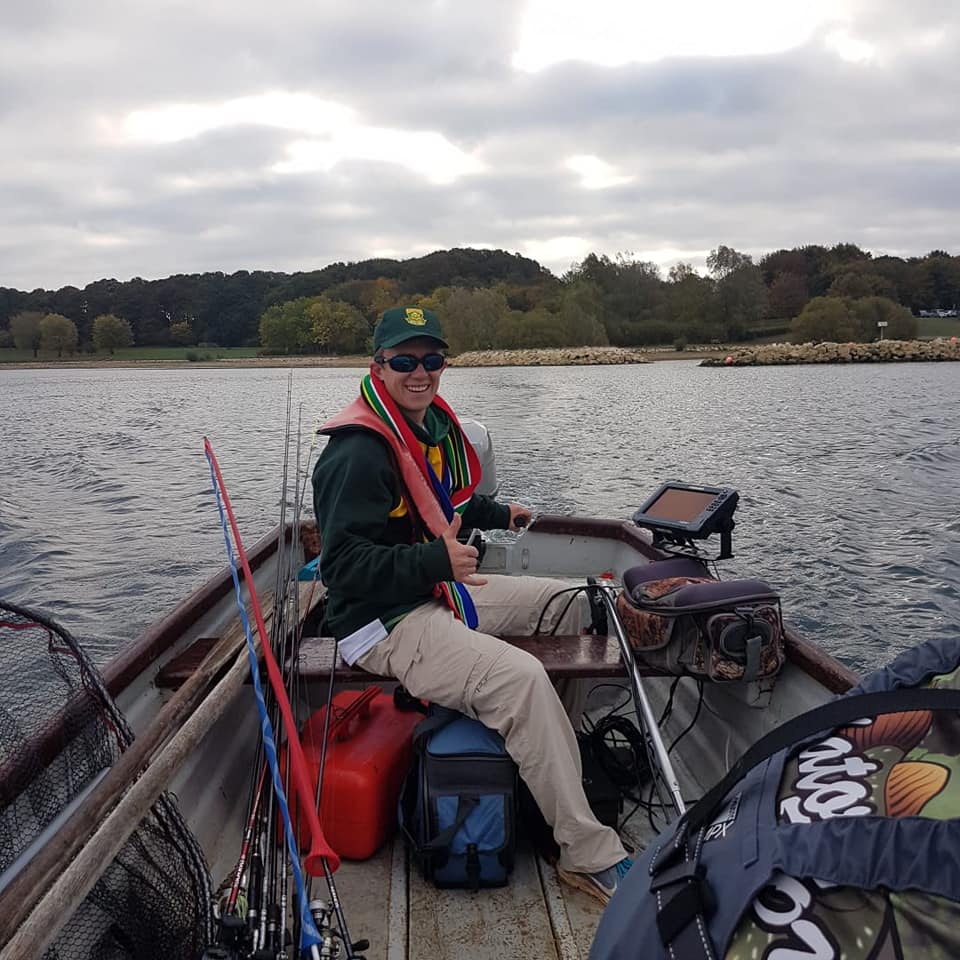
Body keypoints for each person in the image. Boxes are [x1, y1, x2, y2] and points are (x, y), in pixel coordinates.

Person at [312, 306, 631, 903]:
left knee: (569, 603)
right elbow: (342, 569)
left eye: (432, 359)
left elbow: (444, 500)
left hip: (435, 592)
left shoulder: (424, 429)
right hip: (381, 621)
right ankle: (585, 853)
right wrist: (435, 562)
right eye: (404, 361)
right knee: (522, 679)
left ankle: (548, 771)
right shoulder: (356, 454)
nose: (420, 372)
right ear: (378, 367)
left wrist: (499, 513)